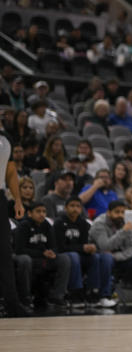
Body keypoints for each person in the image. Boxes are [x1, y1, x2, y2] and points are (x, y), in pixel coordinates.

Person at [54, 196, 115, 307]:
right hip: (64, 255)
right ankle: (76, 293)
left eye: (78, 206)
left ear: (81, 209)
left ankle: (93, 291)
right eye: (72, 206)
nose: (75, 209)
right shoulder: (59, 223)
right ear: (65, 208)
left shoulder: (84, 224)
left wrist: (91, 248)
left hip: (80, 254)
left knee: (95, 257)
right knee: (74, 256)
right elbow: (60, 247)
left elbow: (86, 244)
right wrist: (82, 248)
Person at [90, 200, 132, 306]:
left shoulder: (126, 223)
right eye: (117, 212)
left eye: (123, 212)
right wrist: (123, 232)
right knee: (106, 257)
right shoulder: (99, 224)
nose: (120, 215)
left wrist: (116, 256)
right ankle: (104, 296)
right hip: (100, 259)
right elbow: (105, 246)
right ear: (108, 213)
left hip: (118, 258)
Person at [14, 202, 71, 309]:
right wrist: (42, 253)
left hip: (42, 259)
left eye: (44, 211)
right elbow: (19, 250)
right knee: (25, 260)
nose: (42, 214)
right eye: (38, 211)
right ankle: (25, 297)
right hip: (27, 257)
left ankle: (57, 297)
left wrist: (52, 252)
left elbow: (54, 245)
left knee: (64, 259)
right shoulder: (23, 226)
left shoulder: (47, 225)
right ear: (30, 213)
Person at [1, 131, 30, 316]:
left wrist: (18, 200)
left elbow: (10, 172)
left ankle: (12, 303)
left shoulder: (5, 138)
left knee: (4, 252)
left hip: (0, 196)